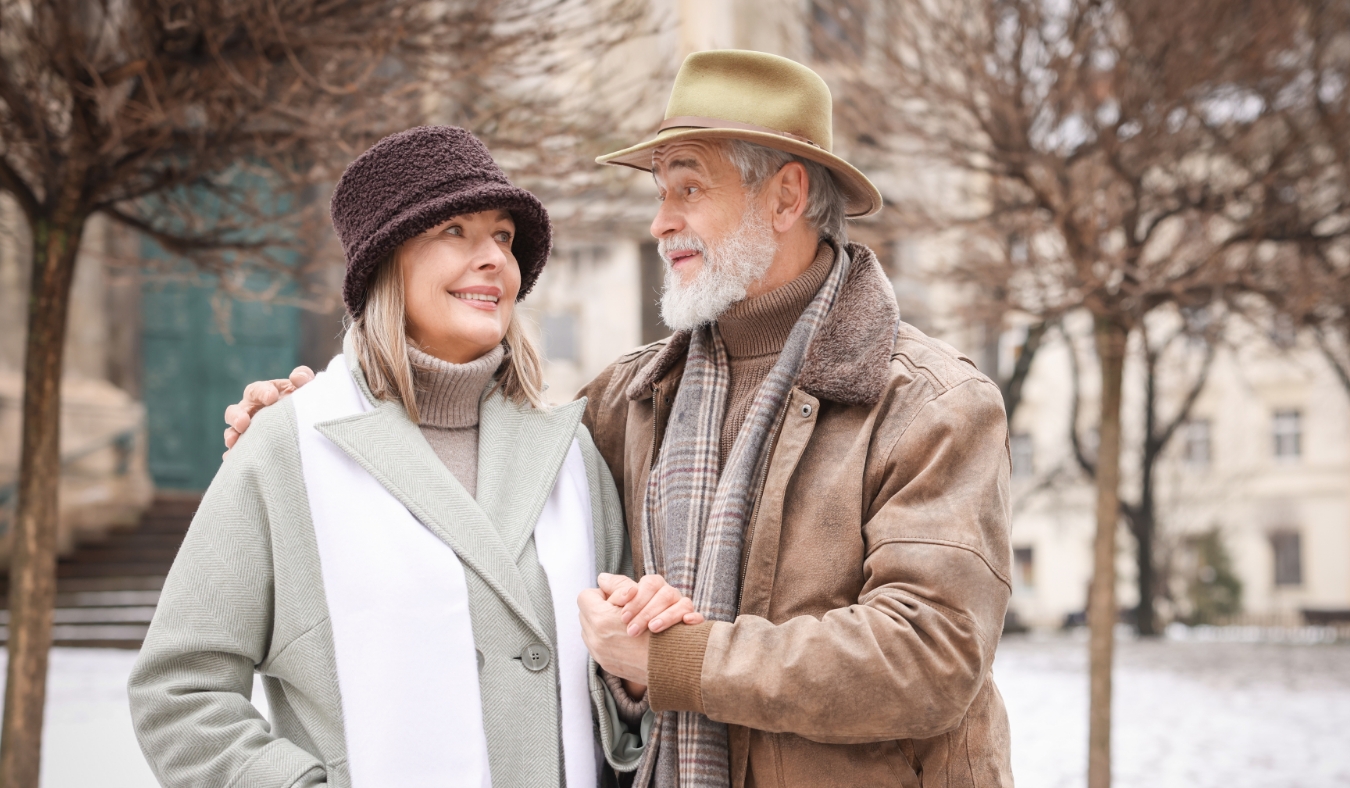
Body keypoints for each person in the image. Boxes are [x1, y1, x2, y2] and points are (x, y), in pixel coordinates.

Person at [227, 51, 1014, 788]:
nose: (660, 223)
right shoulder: (629, 400)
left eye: (688, 189)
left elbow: (929, 658)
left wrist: (677, 661)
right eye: (659, 192)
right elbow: (472, 467)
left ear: (786, 197)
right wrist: (319, 423)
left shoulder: (930, 402)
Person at [130, 126, 699, 788]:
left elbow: (617, 687)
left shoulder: (571, 452)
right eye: (455, 231)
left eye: (503, 236)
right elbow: (179, 691)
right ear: (386, 262)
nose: (494, 259)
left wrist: (631, 680)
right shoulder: (289, 447)